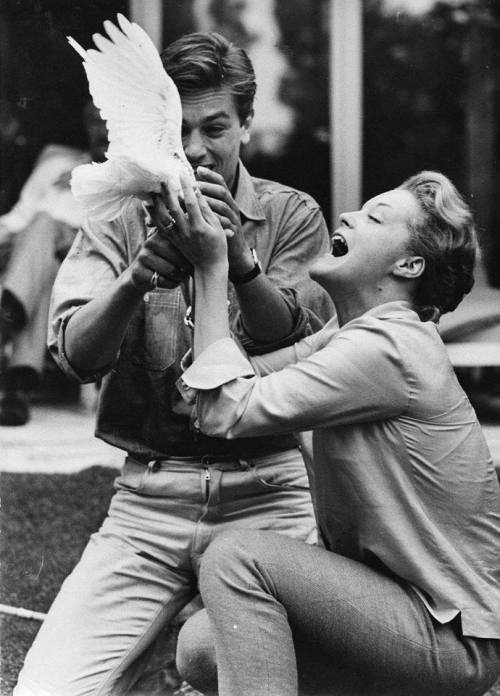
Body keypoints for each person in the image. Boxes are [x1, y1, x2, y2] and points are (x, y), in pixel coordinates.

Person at [13, 32, 332, 696]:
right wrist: (133, 280)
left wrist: (237, 260)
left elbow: (288, 340)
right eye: (179, 129)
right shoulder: (120, 210)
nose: (192, 149)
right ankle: (185, 626)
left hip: (268, 493)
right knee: (48, 690)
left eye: (215, 128)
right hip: (149, 498)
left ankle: (195, 643)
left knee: (278, 672)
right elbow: (73, 356)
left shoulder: (291, 214)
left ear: (247, 124)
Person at [163, 171, 500, 696]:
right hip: (398, 618)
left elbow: (225, 410)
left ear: (408, 265)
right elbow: (210, 390)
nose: (348, 216)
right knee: (203, 644)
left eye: (375, 216)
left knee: (237, 556)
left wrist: (209, 268)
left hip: (447, 638)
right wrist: (236, 261)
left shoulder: (390, 347)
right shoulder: (345, 337)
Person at [0, 101, 108, 425]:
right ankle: (18, 386)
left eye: (108, 119)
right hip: (32, 259)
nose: (100, 129)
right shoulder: (58, 163)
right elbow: (19, 218)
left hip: (81, 262)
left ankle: (7, 315)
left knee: (47, 232)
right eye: (93, 121)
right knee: (42, 246)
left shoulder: (133, 181)